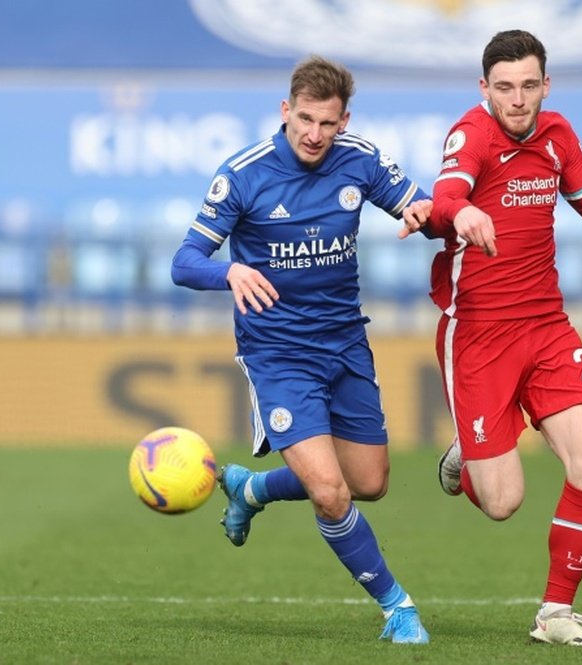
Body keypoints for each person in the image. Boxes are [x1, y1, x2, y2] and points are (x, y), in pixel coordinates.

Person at [171, 55, 433, 644]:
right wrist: (230, 273)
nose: (315, 135)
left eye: (328, 123)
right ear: (285, 110)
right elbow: (184, 263)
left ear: (345, 121)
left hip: (346, 342)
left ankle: (252, 487)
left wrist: (431, 215)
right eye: (305, 120)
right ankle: (398, 606)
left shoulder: (359, 158)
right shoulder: (243, 175)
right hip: (279, 355)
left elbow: (419, 205)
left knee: (368, 482)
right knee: (329, 491)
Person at [403, 30, 582, 647]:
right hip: (477, 334)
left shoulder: (558, 135)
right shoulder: (471, 135)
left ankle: (555, 614)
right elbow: (447, 197)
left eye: (529, 85)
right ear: (485, 90)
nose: (518, 99)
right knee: (502, 502)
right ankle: (468, 460)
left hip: (547, 328)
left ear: (546, 86)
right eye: (504, 87)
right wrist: (462, 212)